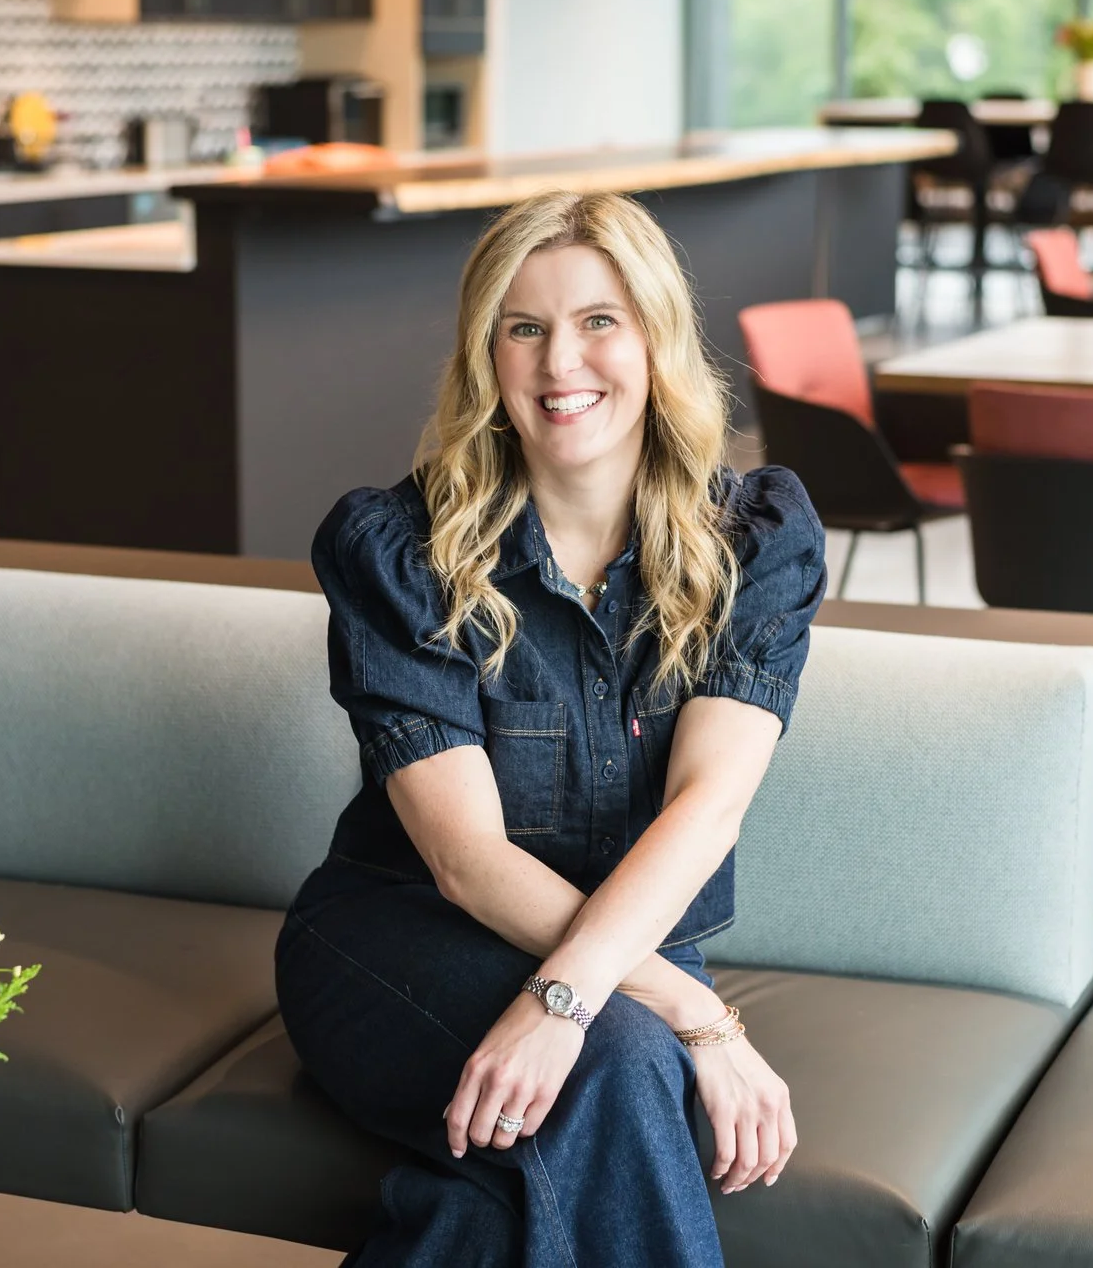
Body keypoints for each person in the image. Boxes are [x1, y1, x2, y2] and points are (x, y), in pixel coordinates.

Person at [275, 188, 827, 1267]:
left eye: (596, 321)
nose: (557, 361)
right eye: (521, 328)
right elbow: (463, 858)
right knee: (621, 1060)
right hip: (396, 942)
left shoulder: (751, 542)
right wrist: (689, 1017)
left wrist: (573, 995)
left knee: (487, 1206)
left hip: (616, 952)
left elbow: (705, 802)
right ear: (486, 357)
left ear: (657, 338)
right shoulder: (400, 549)